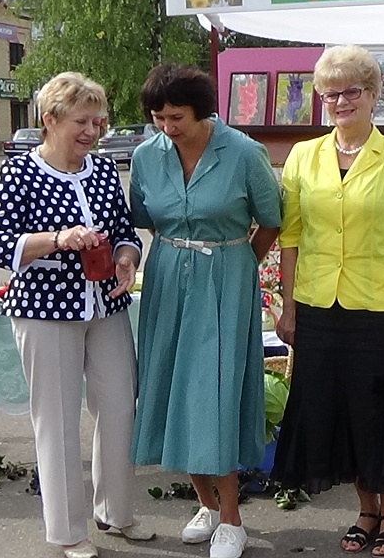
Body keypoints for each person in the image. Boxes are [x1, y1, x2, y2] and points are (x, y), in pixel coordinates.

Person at [0, 72, 151, 558]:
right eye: (82, 122)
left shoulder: (103, 172)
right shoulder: (19, 173)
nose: (92, 132)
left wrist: (126, 257)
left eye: (98, 122)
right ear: (50, 119)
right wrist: (58, 239)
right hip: (44, 311)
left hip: (106, 304)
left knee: (119, 408)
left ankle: (115, 512)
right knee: (55, 421)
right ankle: (69, 531)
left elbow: (125, 232)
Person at [273, 44, 384, 558]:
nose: (341, 101)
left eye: (351, 91)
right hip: (318, 308)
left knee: (377, 413)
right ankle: (365, 510)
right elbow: (290, 237)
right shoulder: (303, 156)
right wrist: (289, 306)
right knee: (333, 411)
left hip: (376, 312)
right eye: (330, 93)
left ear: (373, 94)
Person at [129, 64, 281, 558]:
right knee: (174, 390)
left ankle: (233, 520)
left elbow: (271, 219)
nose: (167, 127)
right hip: (168, 278)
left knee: (214, 394)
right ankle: (207, 506)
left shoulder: (243, 153)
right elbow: (146, 219)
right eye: (158, 118)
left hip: (225, 279)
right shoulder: (145, 156)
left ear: (202, 111)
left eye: (177, 117)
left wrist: (240, 265)